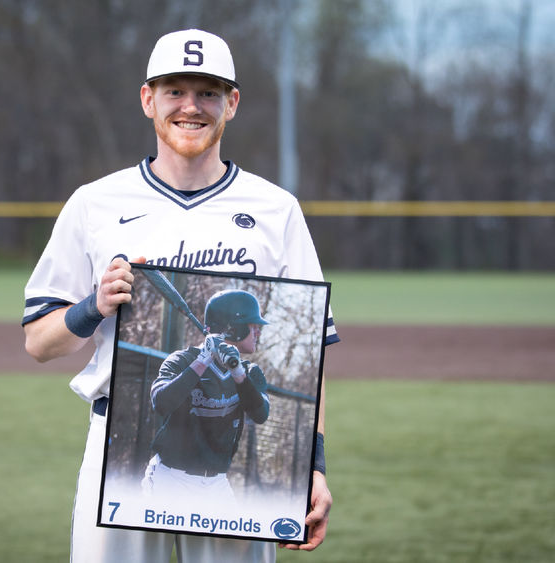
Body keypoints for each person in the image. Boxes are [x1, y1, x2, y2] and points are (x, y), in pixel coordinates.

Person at [23, 28, 339, 563]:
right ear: (148, 99)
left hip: (220, 478)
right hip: (125, 455)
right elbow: (38, 342)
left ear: (231, 104)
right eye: (174, 90)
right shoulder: (94, 203)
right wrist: (93, 307)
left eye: (208, 92)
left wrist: (314, 467)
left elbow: (313, 364)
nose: (190, 106)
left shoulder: (276, 209)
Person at [142, 290, 270, 504]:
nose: (258, 332)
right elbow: (161, 403)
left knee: (231, 537)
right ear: (233, 329)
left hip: (217, 483)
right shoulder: (182, 360)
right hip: (171, 479)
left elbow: (261, 414)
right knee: (156, 538)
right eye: (252, 326)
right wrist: (203, 361)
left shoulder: (250, 372)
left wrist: (237, 372)